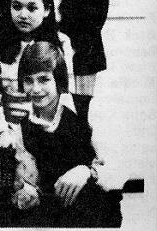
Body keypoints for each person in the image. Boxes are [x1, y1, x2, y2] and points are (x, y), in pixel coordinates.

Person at [9, 41, 122, 227]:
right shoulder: (23, 126)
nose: (35, 89)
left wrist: (86, 171)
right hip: (56, 219)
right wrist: (28, 190)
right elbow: (34, 183)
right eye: (29, 80)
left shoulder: (86, 109)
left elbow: (118, 170)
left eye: (44, 79)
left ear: (58, 79)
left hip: (97, 215)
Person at [0, 0, 71, 148]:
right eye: (17, 7)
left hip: (50, 131)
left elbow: (66, 94)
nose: (23, 15)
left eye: (32, 8)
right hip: (10, 132)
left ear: (46, 10)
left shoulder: (61, 43)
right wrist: (2, 132)